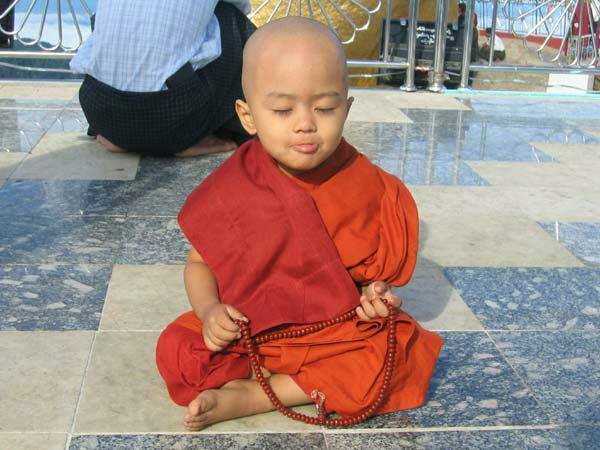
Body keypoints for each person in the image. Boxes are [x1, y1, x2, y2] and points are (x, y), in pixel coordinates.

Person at [155, 17, 443, 431]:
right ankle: (287, 379)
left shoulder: (365, 184)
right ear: (248, 116)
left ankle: (258, 394)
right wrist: (210, 311)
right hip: (251, 331)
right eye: (282, 110)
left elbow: (368, 277)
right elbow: (199, 264)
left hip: (333, 332)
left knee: (400, 350)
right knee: (178, 350)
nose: (306, 123)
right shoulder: (233, 186)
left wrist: (373, 295)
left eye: (325, 108)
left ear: (347, 108)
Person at [70, 0, 255, 157]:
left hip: (100, 110)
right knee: (229, 15)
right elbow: (240, 7)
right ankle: (180, 139)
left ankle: (127, 139)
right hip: (171, 118)